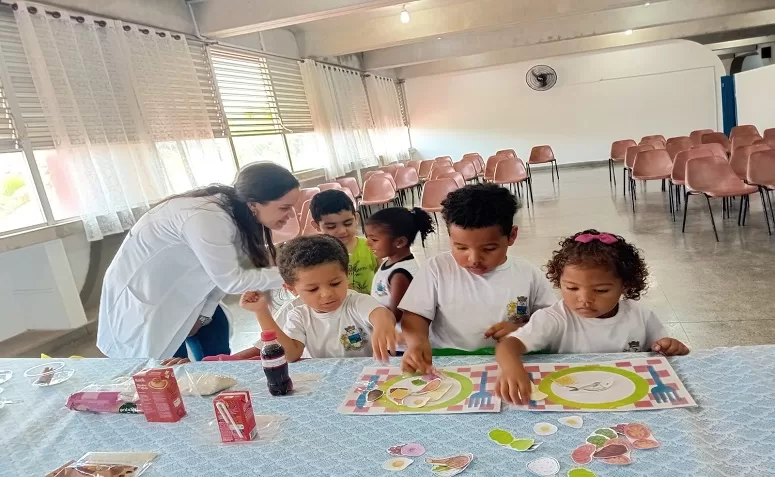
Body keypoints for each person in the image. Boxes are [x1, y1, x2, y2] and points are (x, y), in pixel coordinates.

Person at [97, 162, 300, 359]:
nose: (291, 214)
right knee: (164, 370)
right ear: (253, 203)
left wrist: (204, 316)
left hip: (188, 292)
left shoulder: (238, 213)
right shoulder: (206, 218)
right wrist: (297, 275)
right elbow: (233, 280)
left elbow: (229, 269)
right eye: (284, 208)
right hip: (147, 299)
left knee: (215, 348)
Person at [495, 230, 690, 405]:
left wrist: (669, 345)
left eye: (601, 290)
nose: (585, 299)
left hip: (625, 397)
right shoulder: (555, 317)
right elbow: (508, 346)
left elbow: (659, 350)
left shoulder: (640, 315)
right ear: (559, 281)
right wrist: (512, 369)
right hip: (570, 398)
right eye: (571, 288)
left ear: (625, 286)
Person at [398, 183, 556, 373]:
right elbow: (415, 315)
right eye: (461, 247)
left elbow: (552, 319)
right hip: (450, 362)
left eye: (489, 249)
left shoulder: (528, 274)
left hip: (510, 362)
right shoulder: (436, 268)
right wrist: (417, 343)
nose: (473, 259)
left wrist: (523, 329)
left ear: (512, 236)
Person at [236, 235, 398, 362]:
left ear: (346, 275)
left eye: (335, 283)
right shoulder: (298, 315)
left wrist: (383, 322)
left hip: (365, 379)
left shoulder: (356, 302)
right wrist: (261, 312)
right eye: (313, 289)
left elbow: (380, 313)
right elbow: (291, 355)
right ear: (292, 289)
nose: (327, 294)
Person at [365, 207, 434, 319]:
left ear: (400, 242)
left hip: (397, 333)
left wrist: (369, 311)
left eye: (374, 240)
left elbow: (395, 315)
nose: (367, 243)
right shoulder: (389, 262)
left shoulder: (399, 275)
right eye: (367, 237)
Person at [310, 189, 378, 294]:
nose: (342, 231)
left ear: (356, 218)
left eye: (348, 223)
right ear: (317, 227)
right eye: (331, 227)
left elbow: (382, 274)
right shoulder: (317, 256)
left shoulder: (370, 246)